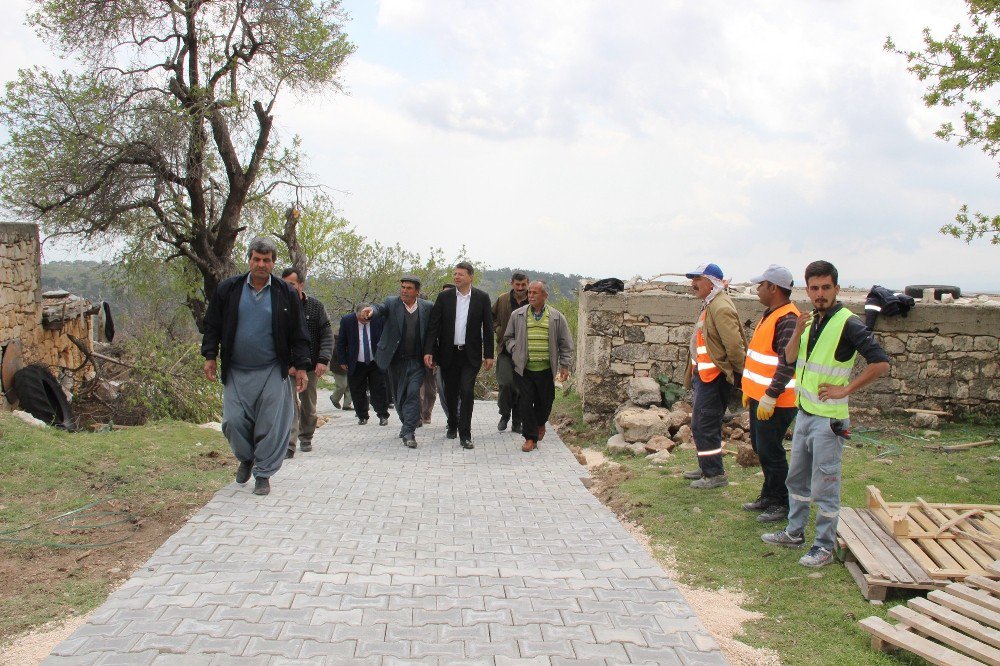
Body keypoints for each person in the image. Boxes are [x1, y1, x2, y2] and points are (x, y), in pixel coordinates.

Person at [763, 260, 890, 567]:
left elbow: (881, 363)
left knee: (825, 485)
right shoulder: (811, 320)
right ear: (807, 289)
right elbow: (790, 359)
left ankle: (823, 545)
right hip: (805, 413)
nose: (820, 294)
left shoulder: (848, 322)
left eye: (826, 288)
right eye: (814, 288)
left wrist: (845, 390)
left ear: (836, 288)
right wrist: (796, 332)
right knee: (797, 479)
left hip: (830, 420)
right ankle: (794, 532)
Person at [201, 237, 310, 496]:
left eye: (266, 260)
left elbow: (299, 333)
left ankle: (263, 474)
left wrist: (302, 367)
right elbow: (212, 325)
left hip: (272, 369)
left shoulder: (285, 293)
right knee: (233, 422)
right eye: (256, 259)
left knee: (271, 424)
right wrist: (209, 356)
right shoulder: (229, 290)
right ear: (249, 260)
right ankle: (246, 458)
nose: (261, 264)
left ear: (273, 263)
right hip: (237, 370)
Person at [740, 265, 800, 522]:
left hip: (777, 401)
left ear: (773, 288)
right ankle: (768, 494)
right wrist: (750, 390)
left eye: (761, 285)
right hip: (760, 397)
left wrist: (771, 395)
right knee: (761, 447)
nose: (757, 290)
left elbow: (788, 363)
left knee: (771, 450)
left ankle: (781, 502)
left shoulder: (787, 319)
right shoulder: (772, 314)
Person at [682, 263, 747, 489]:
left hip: (715, 378)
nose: (693, 283)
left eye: (698, 279)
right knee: (700, 423)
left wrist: (741, 375)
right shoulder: (710, 305)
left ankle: (714, 474)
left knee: (706, 424)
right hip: (705, 376)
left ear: (712, 282)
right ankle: (705, 466)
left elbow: (735, 346)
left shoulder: (720, 307)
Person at [424, 262, 494, 449]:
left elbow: (488, 328)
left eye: (460, 274)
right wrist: (429, 350)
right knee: (451, 392)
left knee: (467, 391)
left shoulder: (481, 298)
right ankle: (452, 424)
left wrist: (489, 354)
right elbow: (434, 326)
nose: (456, 277)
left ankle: (466, 434)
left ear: (470, 277)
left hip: (470, 355)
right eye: (454, 274)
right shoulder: (444, 297)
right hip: (448, 354)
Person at [359, 275, 433, 448]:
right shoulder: (392, 303)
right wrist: (370, 312)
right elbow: (379, 308)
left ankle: (409, 432)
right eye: (402, 287)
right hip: (395, 361)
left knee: (413, 394)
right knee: (399, 398)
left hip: (417, 361)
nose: (404, 291)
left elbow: (433, 331)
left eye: (408, 288)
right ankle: (406, 423)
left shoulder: (427, 307)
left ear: (417, 291)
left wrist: (432, 353)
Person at [503, 281, 574, 452]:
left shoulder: (556, 317)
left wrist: (565, 365)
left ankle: (541, 422)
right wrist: (515, 349)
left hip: (546, 369)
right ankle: (530, 438)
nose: (531, 296)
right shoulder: (517, 315)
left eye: (535, 293)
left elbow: (566, 343)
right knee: (525, 403)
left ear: (545, 296)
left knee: (545, 402)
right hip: (524, 368)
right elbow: (508, 337)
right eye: (530, 293)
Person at [280, 268, 333, 457]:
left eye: (292, 284)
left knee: (308, 406)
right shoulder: (279, 307)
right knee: (289, 405)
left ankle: (306, 436)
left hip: (310, 366)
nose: (288, 288)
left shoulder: (316, 307)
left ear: (301, 285)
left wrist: (323, 359)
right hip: (287, 368)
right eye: (284, 284)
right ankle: (289, 443)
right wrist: (287, 364)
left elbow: (326, 335)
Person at [337, 304, 391, 427]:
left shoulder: (378, 319)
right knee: (357, 390)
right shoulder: (347, 321)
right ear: (356, 315)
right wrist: (342, 360)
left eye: (367, 318)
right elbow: (341, 342)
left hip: (375, 361)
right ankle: (362, 416)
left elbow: (386, 338)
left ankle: (382, 415)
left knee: (379, 388)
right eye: (362, 319)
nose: (365, 320)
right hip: (356, 362)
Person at [492, 271, 530, 433]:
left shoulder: (532, 300)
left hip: (526, 353)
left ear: (528, 283)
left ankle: (517, 421)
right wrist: (498, 330)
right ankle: (505, 414)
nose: (520, 288)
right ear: (512, 283)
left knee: (521, 388)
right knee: (506, 383)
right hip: (505, 350)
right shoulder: (502, 299)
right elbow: (491, 317)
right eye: (517, 284)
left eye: (523, 285)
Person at [419, 283, 455, 425]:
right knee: (418, 388)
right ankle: (418, 415)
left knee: (432, 388)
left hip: (439, 357)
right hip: (422, 354)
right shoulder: (436, 311)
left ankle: (428, 413)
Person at [328, 327, 354, 412]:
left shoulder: (350, 340)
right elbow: (336, 352)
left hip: (349, 366)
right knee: (342, 385)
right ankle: (334, 398)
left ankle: (347, 404)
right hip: (338, 367)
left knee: (349, 386)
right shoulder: (336, 340)